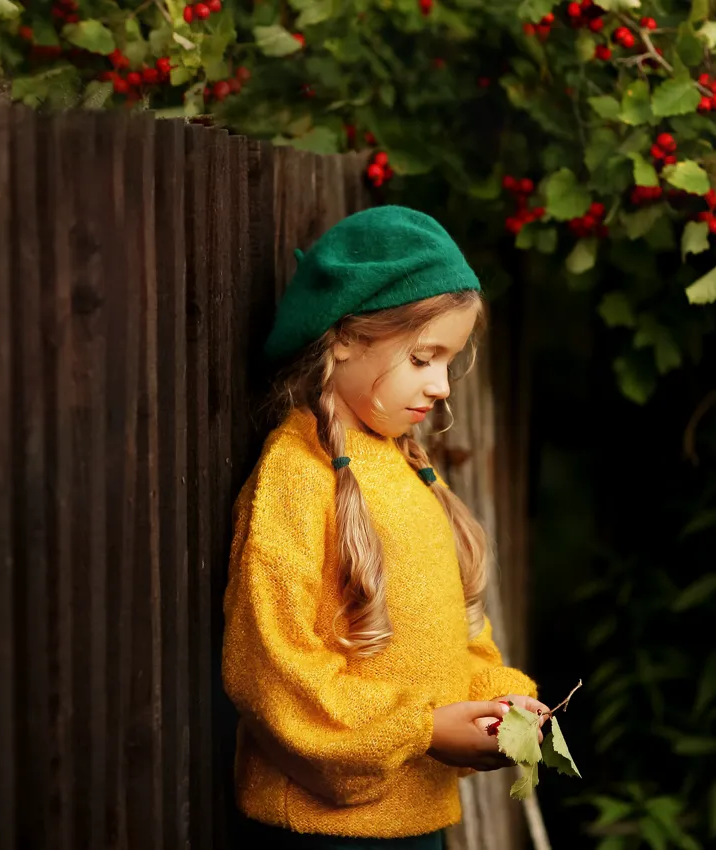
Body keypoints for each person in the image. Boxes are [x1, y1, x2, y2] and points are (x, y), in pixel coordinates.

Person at [222, 205, 549, 849]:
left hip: (418, 816)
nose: (442, 387)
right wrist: (423, 732)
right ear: (343, 338)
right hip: (324, 828)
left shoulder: (410, 470)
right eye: (424, 357)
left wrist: (500, 699)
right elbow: (273, 673)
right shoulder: (297, 475)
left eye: (448, 362)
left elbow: (461, 637)